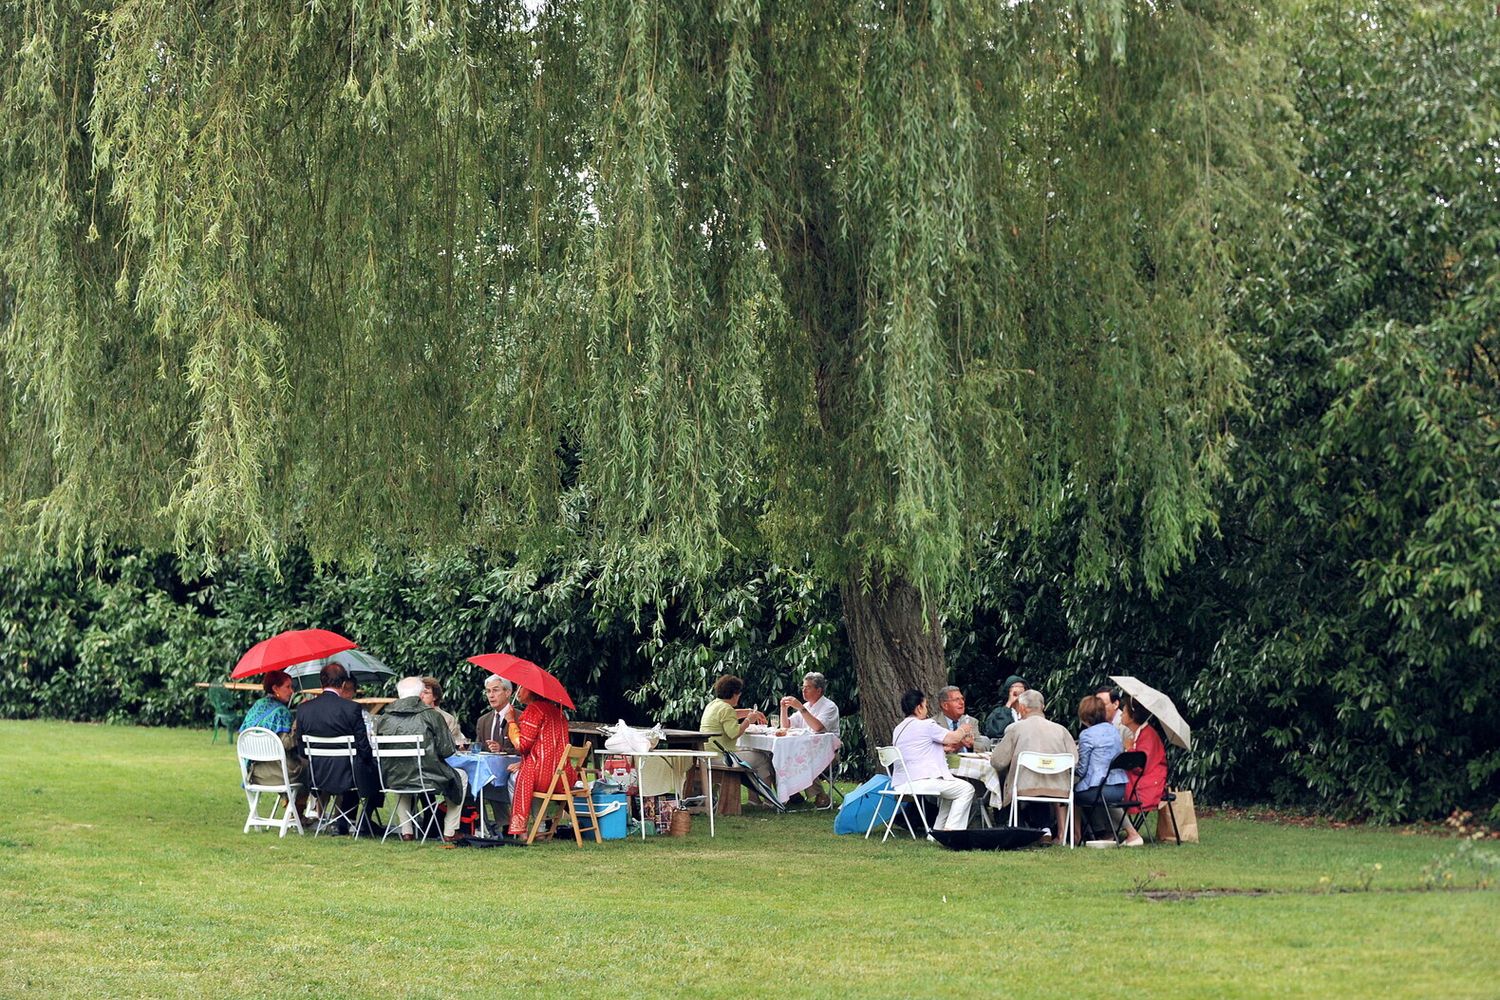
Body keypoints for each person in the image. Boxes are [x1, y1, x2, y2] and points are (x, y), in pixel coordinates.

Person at [376, 676, 469, 842]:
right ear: (419, 695)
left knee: (402, 775)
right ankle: (449, 831)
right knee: (461, 776)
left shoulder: (384, 718)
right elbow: (447, 750)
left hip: (392, 777)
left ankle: (407, 831)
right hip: (428, 776)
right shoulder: (432, 716)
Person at [294, 662, 383, 834]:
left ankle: (344, 820)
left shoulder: (304, 709)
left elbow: (302, 750)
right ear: (343, 684)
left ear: (321, 683)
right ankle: (361, 820)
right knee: (375, 769)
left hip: (317, 775)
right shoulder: (352, 708)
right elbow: (364, 748)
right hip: (349, 776)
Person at [988, 689, 1078, 840]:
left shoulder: (1015, 729)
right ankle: (1045, 830)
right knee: (1040, 785)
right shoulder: (1061, 730)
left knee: (1010, 779)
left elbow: (997, 762)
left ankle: (1012, 827)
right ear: (1042, 707)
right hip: (1059, 788)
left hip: (1024, 787)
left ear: (1022, 708)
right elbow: (1074, 760)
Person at [890, 689, 975, 833]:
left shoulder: (899, 728)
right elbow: (953, 737)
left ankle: (937, 831)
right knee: (967, 789)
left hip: (903, 781)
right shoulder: (926, 725)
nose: (927, 710)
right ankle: (953, 831)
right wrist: (963, 729)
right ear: (919, 708)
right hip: (922, 779)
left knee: (951, 792)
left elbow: (917, 750)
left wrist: (943, 749)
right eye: (925, 705)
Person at [505, 684, 575, 838]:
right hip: (562, 776)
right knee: (528, 775)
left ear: (531, 690)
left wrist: (511, 722)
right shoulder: (557, 712)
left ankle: (521, 830)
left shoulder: (533, 710)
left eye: (522, 687)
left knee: (514, 779)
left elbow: (523, 745)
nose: (519, 691)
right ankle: (541, 828)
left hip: (545, 776)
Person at [1073, 695, 1138, 845]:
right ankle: (1104, 833)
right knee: (1093, 791)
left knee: (1074, 794)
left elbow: (1082, 771)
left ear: (1084, 715)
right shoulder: (1113, 730)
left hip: (1101, 790)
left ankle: (1076, 837)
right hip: (1119, 788)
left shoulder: (1086, 735)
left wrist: (1071, 770)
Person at [701, 674, 774, 799]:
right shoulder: (726, 708)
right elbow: (733, 733)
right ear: (734, 693)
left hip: (708, 754)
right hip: (720, 757)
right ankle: (766, 800)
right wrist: (748, 720)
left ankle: (754, 799)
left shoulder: (713, 705)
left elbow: (730, 714)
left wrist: (750, 712)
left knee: (752, 753)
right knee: (763, 758)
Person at [239, 669, 307, 793]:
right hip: (282, 774)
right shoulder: (281, 712)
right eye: (288, 687)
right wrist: (301, 716)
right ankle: (299, 808)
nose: (292, 691)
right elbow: (287, 744)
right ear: (275, 688)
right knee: (312, 768)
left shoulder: (258, 705)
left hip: (256, 774)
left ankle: (292, 805)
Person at [1121, 695, 1168, 837]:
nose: (1121, 715)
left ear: (1132, 716)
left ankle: (1126, 831)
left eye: (1124, 711)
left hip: (1148, 783)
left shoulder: (1148, 735)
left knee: (1111, 788)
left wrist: (1129, 749)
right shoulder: (1140, 733)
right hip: (1143, 779)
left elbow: (1141, 765)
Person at [934, 685, 992, 753]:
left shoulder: (971, 721)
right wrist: (957, 744)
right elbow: (932, 753)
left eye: (962, 699)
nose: (962, 703)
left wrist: (972, 743)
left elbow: (983, 749)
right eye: (956, 700)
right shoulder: (934, 724)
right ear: (945, 705)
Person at [420, 676, 467, 748]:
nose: (421, 696)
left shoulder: (448, 719)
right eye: (420, 693)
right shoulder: (412, 717)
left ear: (435, 697)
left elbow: (455, 744)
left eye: (426, 692)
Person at [475, 675, 517, 753]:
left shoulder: (521, 718)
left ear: (507, 692)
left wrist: (502, 750)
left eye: (495, 690)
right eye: (488, 691)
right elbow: (479, 749)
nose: (491, 695)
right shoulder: (482, 721)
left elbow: (527, 751)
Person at [982, 674, 1028, 740]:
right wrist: (1009, 703)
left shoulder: (1030, 713)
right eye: (1014, 687)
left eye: (1022, 687)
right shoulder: (999, 712)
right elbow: (995, 732)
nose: (1019, 689)